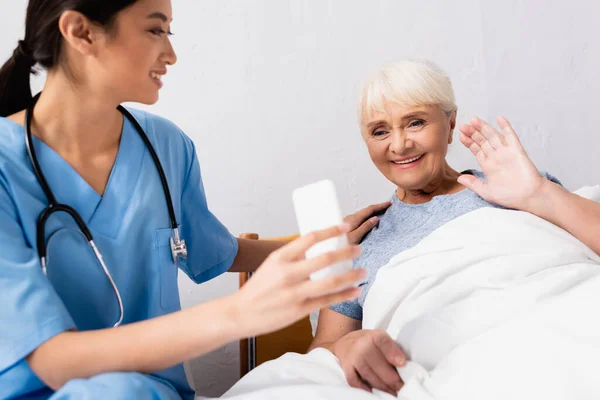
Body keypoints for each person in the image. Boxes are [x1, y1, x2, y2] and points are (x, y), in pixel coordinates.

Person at [0, 1, 389, 398]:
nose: (171, 54)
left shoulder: (166, 146)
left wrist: (321, 246)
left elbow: (213, 251)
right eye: (155, 30)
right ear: (81, 32)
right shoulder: (4, 166)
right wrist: (236, 314)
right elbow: (48, 360)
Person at [309, 59, 600, 396]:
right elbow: (322, 350)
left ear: (450, 125)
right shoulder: (360, 243)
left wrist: (539, 193)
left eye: (415, 122)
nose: (399, 145)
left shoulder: (516, 185)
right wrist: (347, 345)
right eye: (380, 131)